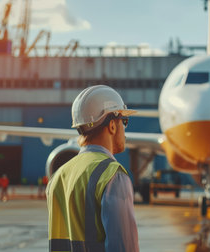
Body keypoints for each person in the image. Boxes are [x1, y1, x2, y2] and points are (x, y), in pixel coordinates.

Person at [46, 85, 140, 252]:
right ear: (112, 125)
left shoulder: (58, 177)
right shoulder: (112, 175)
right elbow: (123, 247)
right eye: (124, 121)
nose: (125, 130)